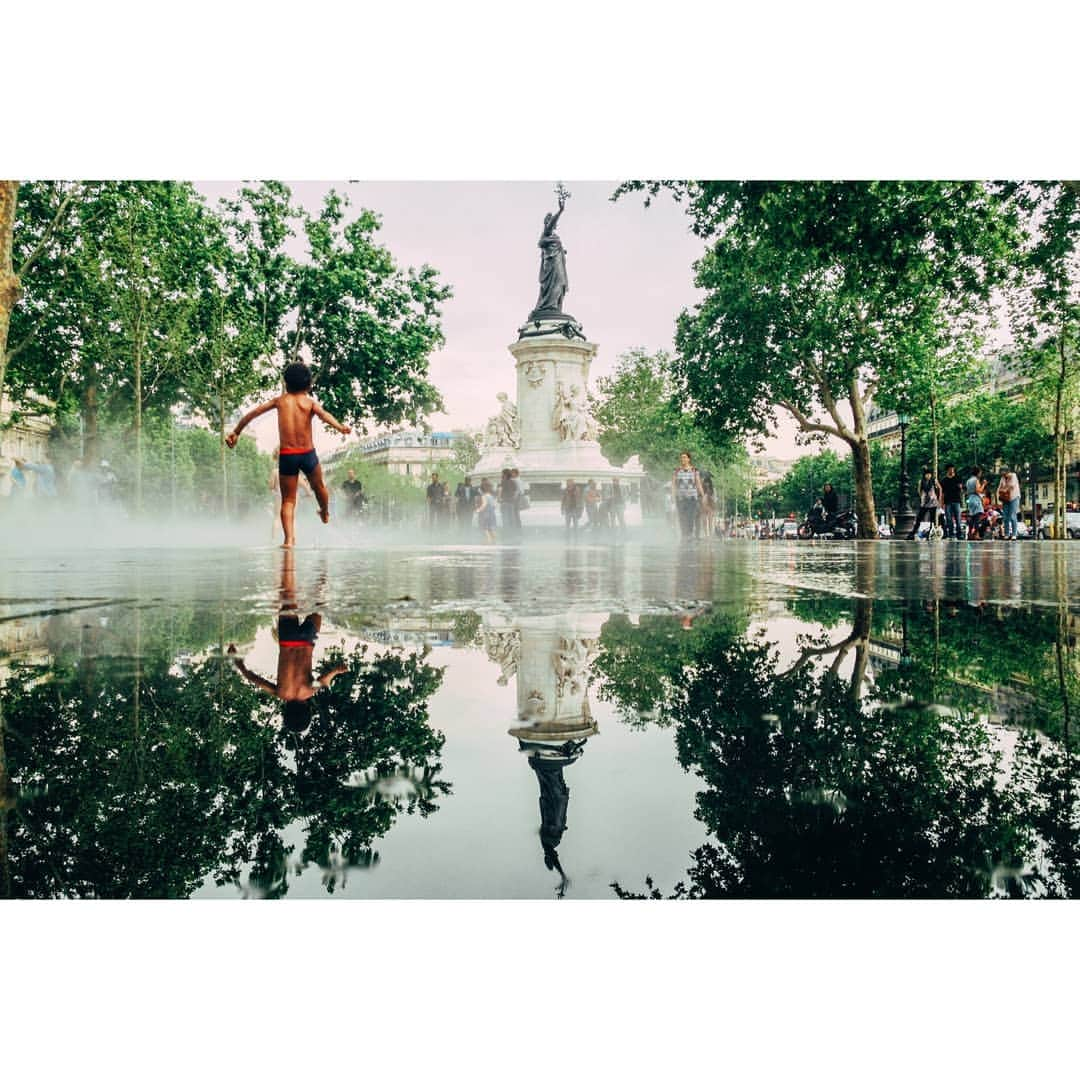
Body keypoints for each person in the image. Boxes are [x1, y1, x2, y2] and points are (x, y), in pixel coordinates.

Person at [227, 362, 351, 547]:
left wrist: (236, 431)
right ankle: (324, 511)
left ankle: (289, 539)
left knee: (288, 501)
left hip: (287, 455)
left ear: (286, 383)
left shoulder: (280, 401)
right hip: (308, 453)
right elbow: (325, 415)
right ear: (308, 385)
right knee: (319, 487)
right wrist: (341, 427)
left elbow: (253, 413)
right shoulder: (309, 403)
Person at [228, 549, 348, 734]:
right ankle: (289, 559)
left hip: (307, 640)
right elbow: (252, 678)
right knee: (288, 593)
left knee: (319, 601)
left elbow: (324, 680)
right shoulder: (280, 693)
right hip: (287, 639)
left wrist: (337, 671)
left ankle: (322, 564)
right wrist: (238, 662)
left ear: (307, 712)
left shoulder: (309, 692)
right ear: (287, 713)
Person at [671, 451, 705, 540]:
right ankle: (684, 535)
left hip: (692, 498)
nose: (683, 459)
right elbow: (673, 484)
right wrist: (672, 496)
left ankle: (689, 535)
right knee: (682, 518)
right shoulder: (676, 470)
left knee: (690, 517)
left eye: (685, 457)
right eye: (682, 457)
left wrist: (703, 495)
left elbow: (698, 484)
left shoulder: (694, 470)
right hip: (680, 498)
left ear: (689, 459)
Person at [907, 469, 942, 539]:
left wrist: (939, 498)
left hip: (933, 502)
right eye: (927, 474)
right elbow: (919, 490)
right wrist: (922, 497)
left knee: (933, 520)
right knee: (919, 519)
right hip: (924, 503)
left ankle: (931, 533)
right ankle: (913, 533)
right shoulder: (921, 482)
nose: (928, 476)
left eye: (929, 474)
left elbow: (940, 488)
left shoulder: (933, 481)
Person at [997, 467, 1021, 541]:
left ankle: (1014, 534)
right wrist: (999, 493)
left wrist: (1004, 489)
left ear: (1007, 472)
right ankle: (1007, 534)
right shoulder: (1002, 478)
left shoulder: (1013, 476)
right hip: (1005, 499)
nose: (1003, 475)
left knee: (1012, 515)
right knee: (1005, 516)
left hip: (1014, 497)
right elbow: (999, 487)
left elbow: (1011, 486)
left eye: (1003, 473)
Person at [940, 464, 964, 540]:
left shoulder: (958, 478)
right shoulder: (944, 480)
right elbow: (942, 493)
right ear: (947, 470)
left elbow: (961, 490)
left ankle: (959, 534)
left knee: (958, 518)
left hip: (956, 500)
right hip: (947, 501)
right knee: (949, 519)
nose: (952, 470)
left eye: (953, 469)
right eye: (950, 469)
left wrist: (961, 489)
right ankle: (951, 534)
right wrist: (942, 503)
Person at [965, 466, 988, 541]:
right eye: (980, 472)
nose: (981, 474)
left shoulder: (968, 481)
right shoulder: (976, 480)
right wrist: (984, 484)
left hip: (970, 499)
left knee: (972, 517)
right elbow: (979, 490)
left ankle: (970, 534)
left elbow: (967, 491)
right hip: (976, 499)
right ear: (978, 473)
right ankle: (976, 534)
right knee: (977, 518)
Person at [476, 478, 498, 543]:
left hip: (484, 514)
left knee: (484, 528)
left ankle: (487, 541)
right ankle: (494, 541)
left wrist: (478, 510)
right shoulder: (491, 496)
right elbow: (494, 506)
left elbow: (484, 504)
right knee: (490, 529)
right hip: (491, 514)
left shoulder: (484, 496)